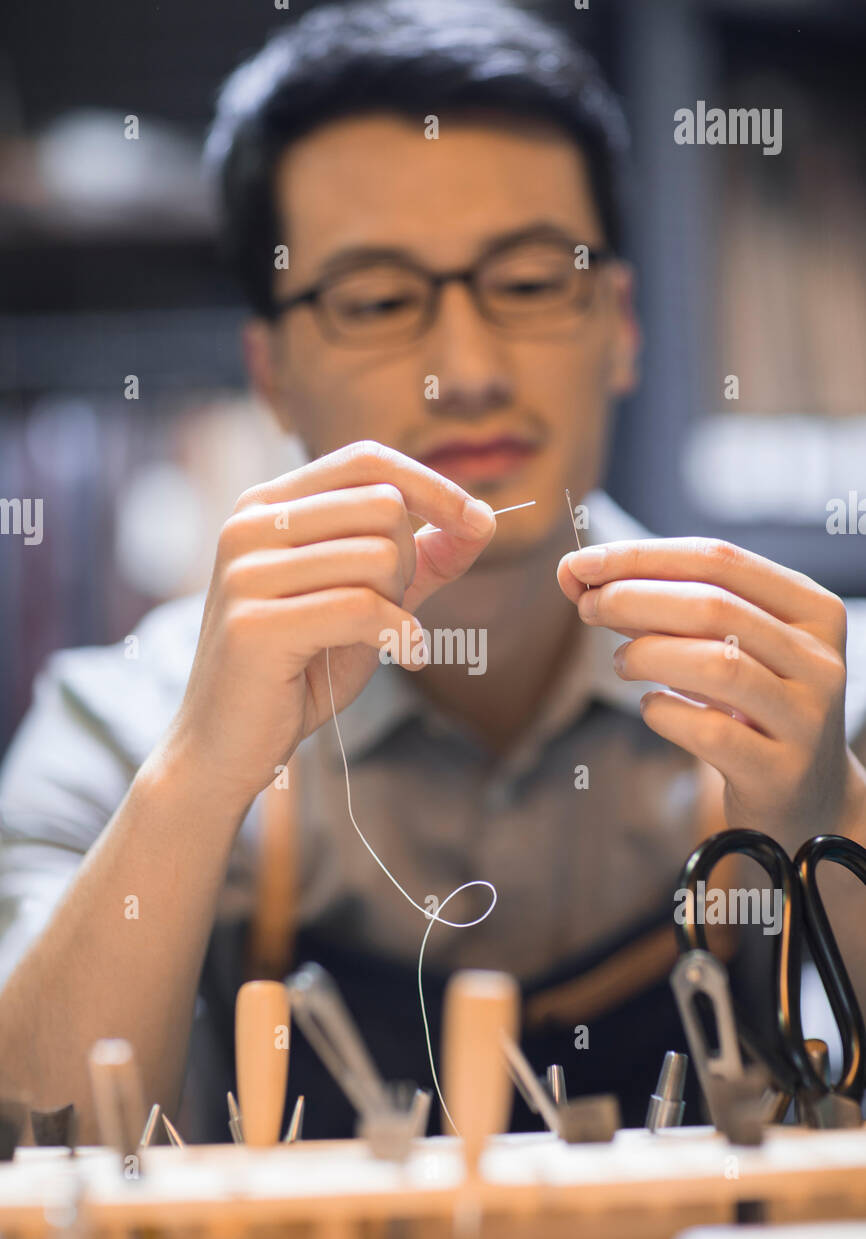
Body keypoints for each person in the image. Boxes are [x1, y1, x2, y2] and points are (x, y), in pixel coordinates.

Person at [2, 0, 866, 1142]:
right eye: (374, 301)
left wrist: (829, 817)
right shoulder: (120, 723)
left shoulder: (812, 686)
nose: (462, 370)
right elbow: (29, 1148)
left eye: (522, 282)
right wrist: (199, 775)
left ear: (617, 322)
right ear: (269, 371)